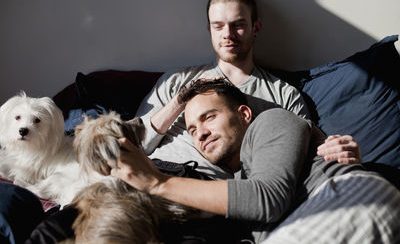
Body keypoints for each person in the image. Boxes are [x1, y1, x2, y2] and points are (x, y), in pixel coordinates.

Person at [110, 79, 400, 243]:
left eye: (209, 117)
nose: (201, 134)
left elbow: (268, 199)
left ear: (244, 114)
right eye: (193, 130)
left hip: (345, 201)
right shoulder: (234, 185)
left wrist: (158, 183)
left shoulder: (273, 121)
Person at [135, 0, 361, 180]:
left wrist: (339, 151)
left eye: (238, 25)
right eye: (218, 26)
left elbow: (304, 158)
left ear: (256, 27)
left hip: (209, 193)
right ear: (210, 30)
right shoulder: (176, 81)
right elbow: (135, 144)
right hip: (148, 173)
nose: (228, 34)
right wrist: (180, 101)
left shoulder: (282, 95)